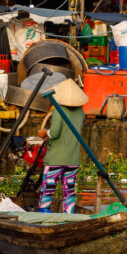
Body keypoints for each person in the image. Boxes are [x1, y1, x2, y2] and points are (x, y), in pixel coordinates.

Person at [37, 78, 88, 214]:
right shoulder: (81, 112)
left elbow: (54, 133)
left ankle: (44, 213)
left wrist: (44, 132)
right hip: (73, 159)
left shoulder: (58, 111)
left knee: (48, 188)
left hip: (56, 158)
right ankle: (69, 215)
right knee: (69, 190)